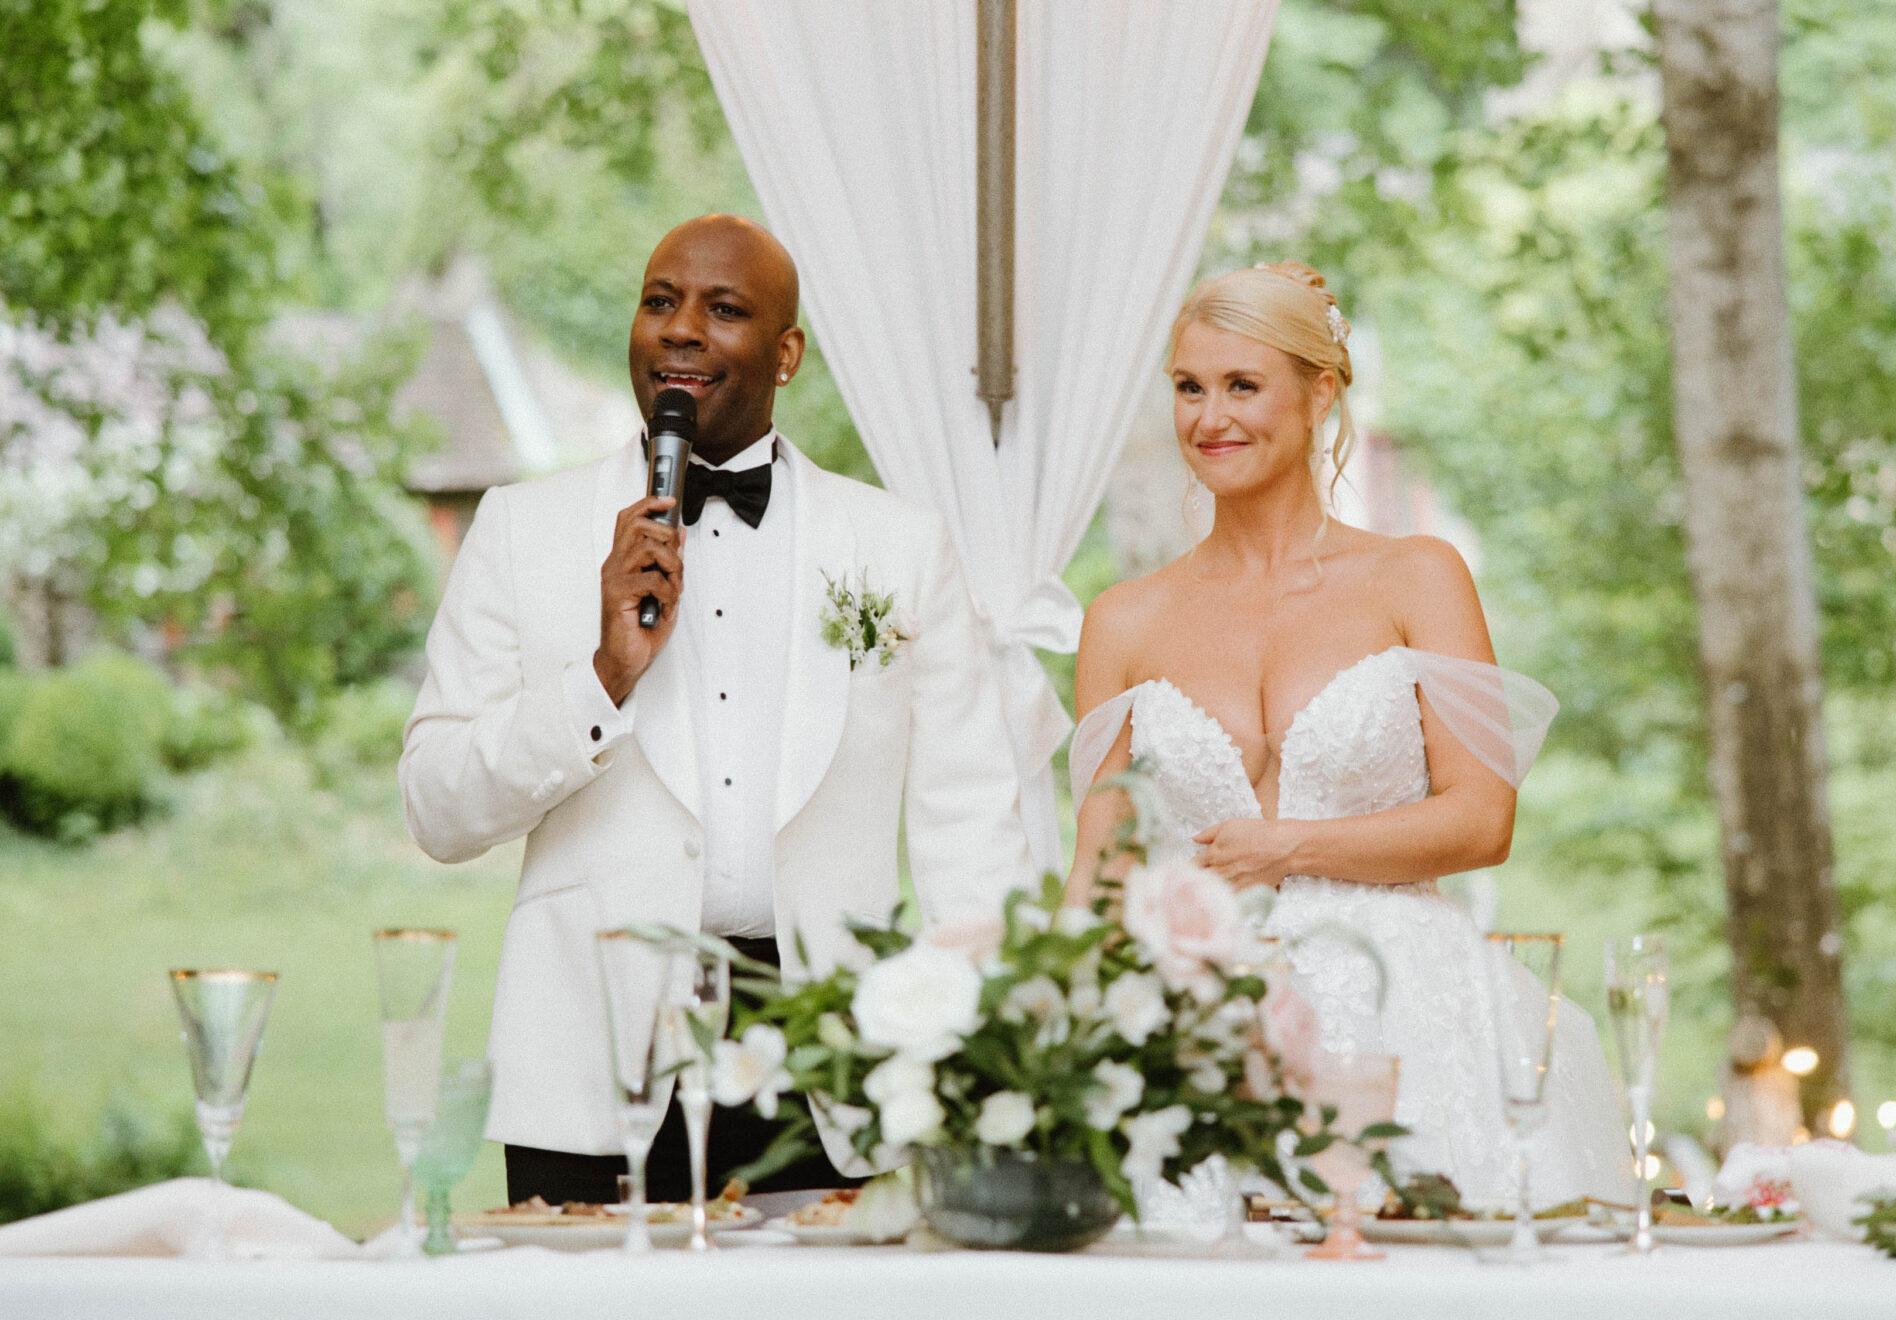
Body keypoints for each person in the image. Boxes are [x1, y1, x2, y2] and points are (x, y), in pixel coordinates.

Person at [400, 215, 1033, 1204]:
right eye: (660, 302)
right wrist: (601, 676)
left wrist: (985, 1052)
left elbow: (969, 821)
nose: (681, 330)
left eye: (723, 309)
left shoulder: (901, 545)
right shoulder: (522, 531)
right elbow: (438, 809)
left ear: (787, 354)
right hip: (593, 1062)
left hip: (838, 1060)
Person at [1064, 262, 1632, 1208]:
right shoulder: (1122, 619)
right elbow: (1100, 870)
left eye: (1243, 385)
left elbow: (1484, 819)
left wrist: (1290, 846)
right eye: (1189, 388)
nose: (1211, 419)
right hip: (1200, 1024)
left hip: (1411, 1018)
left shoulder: (1416, 577)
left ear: (1320, 391)